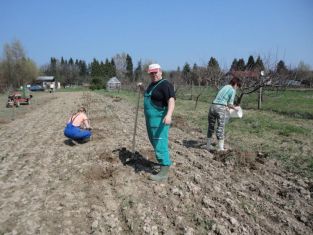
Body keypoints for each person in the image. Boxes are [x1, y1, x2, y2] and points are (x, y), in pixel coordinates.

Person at [138, 63, 175, 181]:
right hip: (151, 122)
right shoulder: (152, 85)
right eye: (151, 73)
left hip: (160, 121)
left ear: (160, 72)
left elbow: (171, 100)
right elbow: (149, 96)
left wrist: (169, 115)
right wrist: (142, 88)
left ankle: (164, 171)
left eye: (155, 72)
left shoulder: (165, 84)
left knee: (160, 143)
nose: (154, 75)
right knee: (155, 142)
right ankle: (163, 162)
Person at [207, 77, 241, 151]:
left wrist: (225, 106)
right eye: (238, 86)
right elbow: (229, 104)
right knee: (221, 127)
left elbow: (221, 99)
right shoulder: (232, 90)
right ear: (235, 84)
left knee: (211, 126)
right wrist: (236, 108)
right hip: (220, 109)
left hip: (212, 106)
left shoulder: (225, 86)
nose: (237, 88)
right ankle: (221, 148)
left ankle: (208, 146)